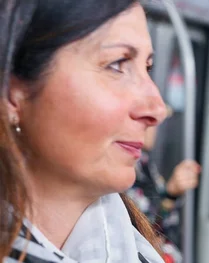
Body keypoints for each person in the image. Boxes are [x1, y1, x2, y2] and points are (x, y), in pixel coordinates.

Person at [1, 1, 168, 262]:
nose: (157, 109)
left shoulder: (138, 251)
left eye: (147, 69)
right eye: (117, 64)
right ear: (12, 94)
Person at [126, 125, 202, 263]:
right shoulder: (126, 165)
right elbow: (143, 228)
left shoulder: (144, 162)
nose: (156, 120)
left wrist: (172, 193)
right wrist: (171, 194)